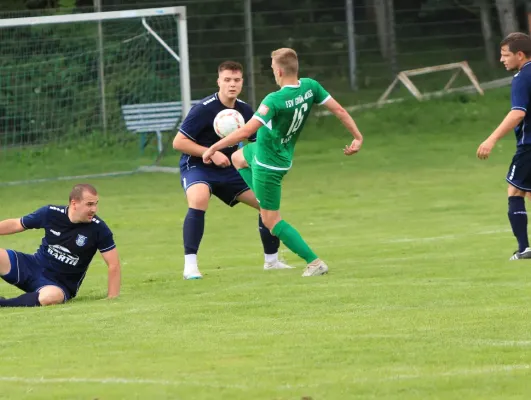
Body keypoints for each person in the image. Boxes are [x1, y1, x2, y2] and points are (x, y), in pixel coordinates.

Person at [202, 48, 364, 276]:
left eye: (271, 68)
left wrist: (213, 147)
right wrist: (357, 137)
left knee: (270, 221)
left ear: (278, 71)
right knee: (237, 157)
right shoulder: (310, 86)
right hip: (267, 151)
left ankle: (314, 262)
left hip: (269, 163)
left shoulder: (275, 100)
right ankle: (261, 197)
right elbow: (338, 109)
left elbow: (246, 131)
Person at [173, 60, 292, 280]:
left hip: (229, 168)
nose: (232, 84)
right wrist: (211, 152)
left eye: (236, 80)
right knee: (199, 199)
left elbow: (258, 143)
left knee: (264, 202)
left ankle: (272, 261)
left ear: (242, 82)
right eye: (227, 80)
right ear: (219, 81)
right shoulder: (203, 109)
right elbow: (179, 142)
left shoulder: (245, 110)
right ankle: (190, 266)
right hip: (198, 165)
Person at [0, 183, 121, 307]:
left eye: (96, 204)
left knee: (50, 297)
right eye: (89, 204)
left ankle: (3, 303)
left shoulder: (99, 229)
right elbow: (17, 224)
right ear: (74, 204)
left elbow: (113, 264)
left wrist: (112, 297)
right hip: (33, 266)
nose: (94, 209)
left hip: (59, 285)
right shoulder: (50, 213)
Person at [477, 32, 531, 260]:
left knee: (515, 190)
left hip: (529, 145)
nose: (502, 60)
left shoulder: (523, 77)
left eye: (505, 55)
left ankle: (525, 249)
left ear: (520, 54)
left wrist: (491, 139)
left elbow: (518, 113)